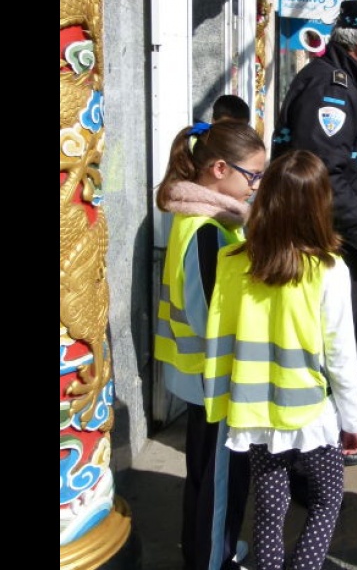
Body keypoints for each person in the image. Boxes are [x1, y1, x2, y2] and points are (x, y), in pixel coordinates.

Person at [201, 150, 357, 570]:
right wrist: (354, 421)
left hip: (253, 412)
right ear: (320, 205)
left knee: (269, 510)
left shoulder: (233, 262)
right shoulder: (328, 269)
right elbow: (342, 356)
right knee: (328, 501)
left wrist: (221, 402)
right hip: (309, 414)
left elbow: (220, 337)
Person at [272, 0, 357, 466]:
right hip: (329, 247)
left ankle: (329, 446)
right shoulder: (329, 90)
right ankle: (319, 461)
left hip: (343, 247)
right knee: (331, 352)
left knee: (338, 347)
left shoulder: (350, 86)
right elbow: (324, 179)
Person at [153, 120, 265, 570]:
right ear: (220, 168)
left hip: (200, 376)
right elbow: (207, 314)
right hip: (214, 379)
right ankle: (212, 558)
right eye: (252, 177)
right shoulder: (207, 227)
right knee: (219, 482)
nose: (255, 188)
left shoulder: (200, 217)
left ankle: (207, 549)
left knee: (204, 475)